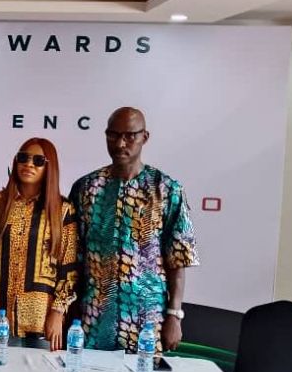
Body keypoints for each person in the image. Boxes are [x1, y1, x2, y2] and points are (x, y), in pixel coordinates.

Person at [69, 106, 200, 353]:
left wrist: (175, 315)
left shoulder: (167, 189)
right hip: (93, 317)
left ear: (144, 137)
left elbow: (178, 260)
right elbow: (73, 256)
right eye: (113, 135)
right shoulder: (86, 188)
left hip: (147, 319)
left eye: (130, 136)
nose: (120, 143)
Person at [0, 138, 78, 350]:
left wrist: (58, 311)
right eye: (23, 158)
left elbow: (69, 267)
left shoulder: (62, 209)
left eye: (38, 161)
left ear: (49, 167)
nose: (29, 165)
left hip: (42, 319)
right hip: (0, 316)